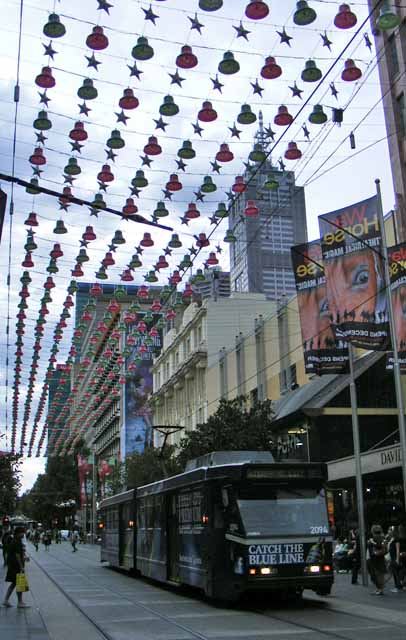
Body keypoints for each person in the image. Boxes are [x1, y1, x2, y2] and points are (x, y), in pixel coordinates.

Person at [2, 527, 30, 608]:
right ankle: (19, 602)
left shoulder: (16, 541)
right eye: (22, 533)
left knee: (15, 583)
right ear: (18, 533)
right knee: (19, 583)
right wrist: (21, 566)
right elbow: (17, 555)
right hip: (16, 566)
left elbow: (19, 553)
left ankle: (6, 600)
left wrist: (24, 557)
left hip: (13, 565)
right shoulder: (16, 541)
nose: (23, 534)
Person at [367, 524, 387, 596]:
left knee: (376, 575)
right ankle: (379, 589)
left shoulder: (374, 538)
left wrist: (372, 542)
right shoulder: (382, 538)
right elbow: (384, 549)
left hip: (373, 558)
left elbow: (378, 546)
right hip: (379, 558)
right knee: (379, 574)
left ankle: (380, 589)